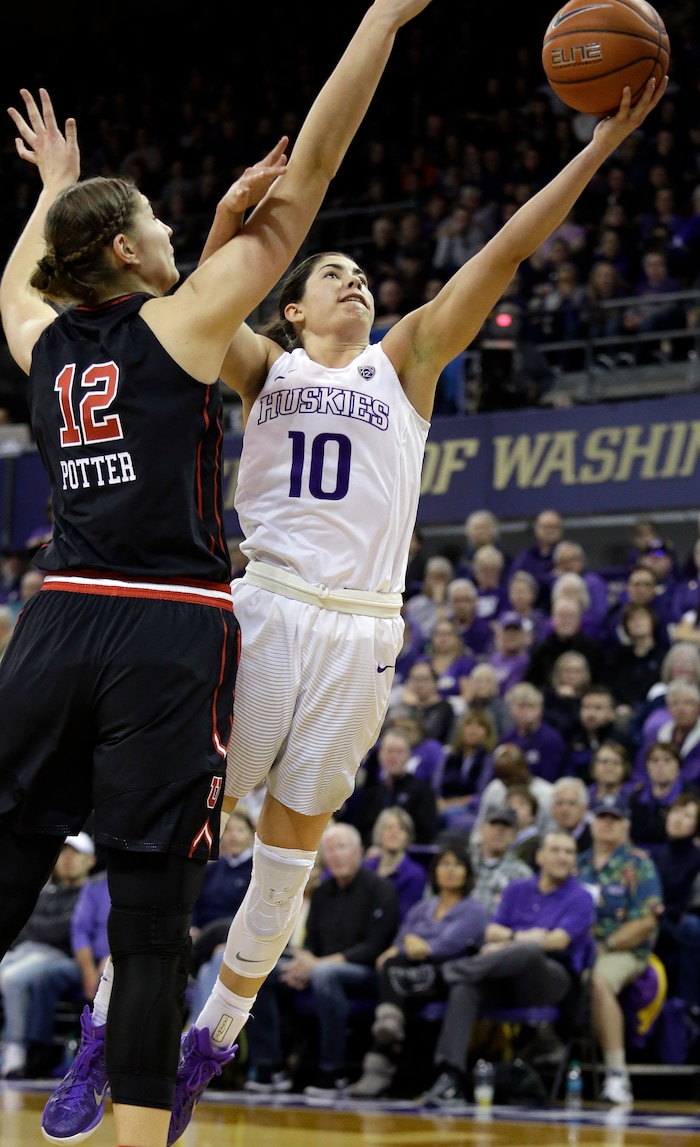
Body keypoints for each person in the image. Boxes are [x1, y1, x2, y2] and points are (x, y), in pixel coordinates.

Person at [45, 64, 667, 1142]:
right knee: (171, 843)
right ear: (287, 303)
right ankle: (107, 1036)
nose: (354, 282)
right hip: (265, 613)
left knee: (285, 864)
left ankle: (211, 1041)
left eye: (363, 273)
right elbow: (159, 302)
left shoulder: (408, 362)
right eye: (331, 271)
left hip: (365, 629)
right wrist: (132, 211)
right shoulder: (262, 364)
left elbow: (506, 248)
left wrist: (600, 147)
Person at [2, 6, 435, 1147]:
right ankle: (144, 1118)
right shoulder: (185, 323)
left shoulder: (41, 341)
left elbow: (18, 284)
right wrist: (380, 19)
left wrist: (56, 186)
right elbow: (318, 164)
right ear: (131, 258)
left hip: (51, 622)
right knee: (148, 918)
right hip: (165, 633)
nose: (173, 231)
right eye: (156, 224)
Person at [421, 830, 595, 1106]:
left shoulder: (581, 897)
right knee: (467, 987)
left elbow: (557, 941)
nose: (563, 857)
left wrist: (514, 941)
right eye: (556, 850)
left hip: (549, 980)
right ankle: (449, 1076)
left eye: (569, 852)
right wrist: (523, 938)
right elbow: (491, 931)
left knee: (528, 952)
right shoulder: (518, 889)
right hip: (504, 976)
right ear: (539, 857)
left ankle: (445, 973)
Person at [241, 822, 399, 1098]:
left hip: (365, 974)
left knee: (326, 975)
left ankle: (333, 1070)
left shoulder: (381, 889)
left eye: (342, 848)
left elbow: (377, 945)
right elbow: (311, 940)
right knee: (262, 971)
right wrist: (305, 961)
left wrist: (323, 963)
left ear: (359, 851)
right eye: (330, 850)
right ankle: (269, 1066)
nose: (335, 855)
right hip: (320, 968)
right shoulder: (323, 892)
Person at [347, 840, 488, 1098]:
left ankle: (385, 1040)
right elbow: (401, 939)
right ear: (434, 871)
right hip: (411, 975)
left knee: (393, 969)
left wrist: (411, 946)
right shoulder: (422, 907)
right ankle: (390, 1026)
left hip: (448, 975)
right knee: (392, 966)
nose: (450, 870)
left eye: (457, 865)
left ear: (468, 872)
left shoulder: (475, 910)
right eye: (444, 864)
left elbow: (447, 945)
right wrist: (403, 947)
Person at [577, 793, 664, 1105]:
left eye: (614, 819)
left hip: (624, 951)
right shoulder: (578, 863)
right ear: (592, 822)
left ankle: (616, 1073)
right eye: (602, 817)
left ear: (626, 825)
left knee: (599, 981)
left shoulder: (638, 864)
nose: (607, 824)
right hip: (576, 947)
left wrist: (608, 944)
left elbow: (647, 921)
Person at [0, 834, 96, 1079]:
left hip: (65, 957)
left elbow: (66, 930)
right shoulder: (46, 891)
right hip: (29, 952)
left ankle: (16, 1050)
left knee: (14, 979)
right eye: (64, 853)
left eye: (76, 854)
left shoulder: (92, 893)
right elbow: (22, 927)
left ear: (91, 860)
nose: (68, 860)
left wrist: (37, 927)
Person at [362, 806, 427, 922]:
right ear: (379, 833)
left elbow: (406, 916)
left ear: (408, 837)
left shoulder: (415, 874)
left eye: (401, 829)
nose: (394, 832)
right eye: (389, 827)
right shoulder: (366, 867)